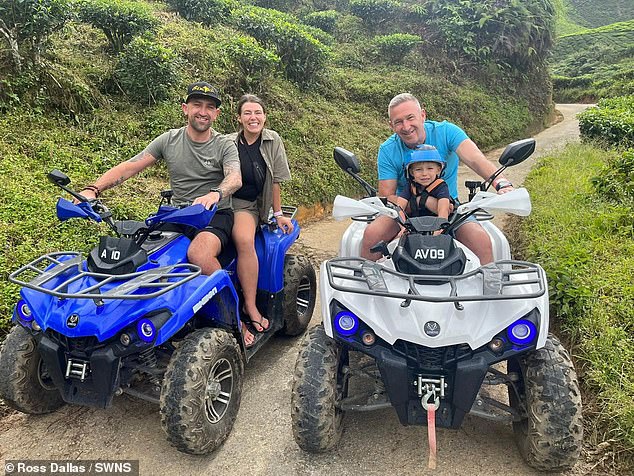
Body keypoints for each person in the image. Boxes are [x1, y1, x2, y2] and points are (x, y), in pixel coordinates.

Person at [78, 81, 242, 276]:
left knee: (199, 254)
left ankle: (228, 303)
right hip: (177, 214)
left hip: (214, 214)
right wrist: (93, 189)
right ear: (185, 109)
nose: (203, 112)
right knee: (147, 256)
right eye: (197, 104)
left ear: (216, 114)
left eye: (210, 107)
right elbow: (130, 166)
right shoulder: (169, 140)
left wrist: (215, 194)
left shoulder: (224, 145)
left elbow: (235, 177)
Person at [361, 93, 515, 263]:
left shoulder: (447, 132)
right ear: (391, 125)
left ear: (423, 115)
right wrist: (422, 202)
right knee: (371, 234)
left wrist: (501, 183)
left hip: (450, 208)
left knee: (480, 239)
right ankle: (369, 280)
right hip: (406, 209)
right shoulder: (388, 149)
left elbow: (475, 159)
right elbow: (386, 196)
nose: (406, 126)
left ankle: (489, 282)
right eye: (398, 122)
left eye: (410, 118)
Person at [226, 94, 293, 347]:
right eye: (247, 113)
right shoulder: (227, 142)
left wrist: (277, 213)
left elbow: (275, 180)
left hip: (249, 204)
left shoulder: (272, 140)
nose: (253, 118)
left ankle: (250, 306)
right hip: (224, 201)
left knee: (244, 240)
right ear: (239, 118)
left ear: (264, 116)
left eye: (258, 113)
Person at [395, 145, 451, 235]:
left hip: (435, 226)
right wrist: (403, 227)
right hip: (413, 226)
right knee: (397, 239)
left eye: (430, 168)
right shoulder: (410, 186)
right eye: (418, 169)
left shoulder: (441, 186)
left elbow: (443, 209)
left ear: (439, 169)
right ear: (411, 172)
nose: (424, 174)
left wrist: (440, 228)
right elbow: (398, 208)